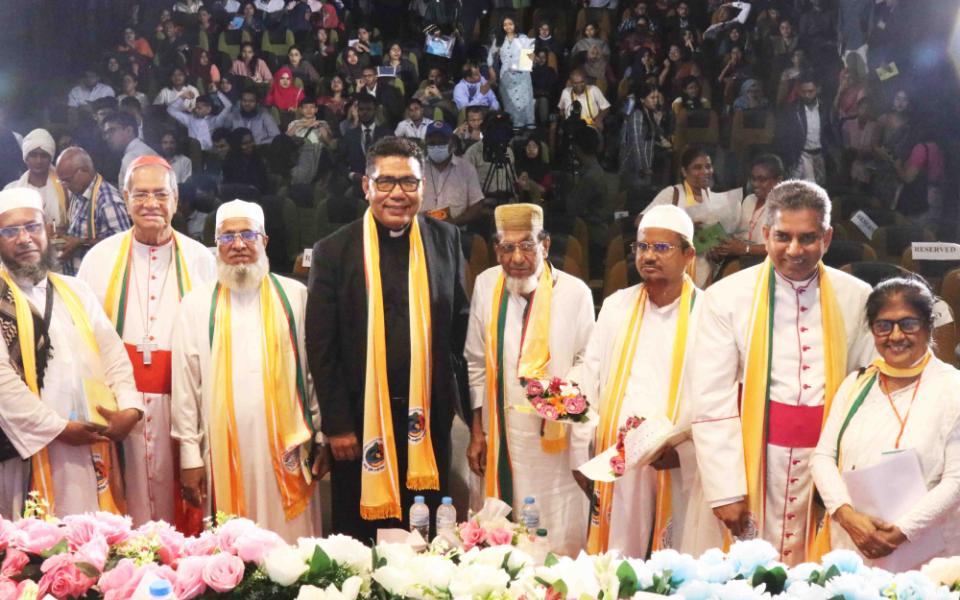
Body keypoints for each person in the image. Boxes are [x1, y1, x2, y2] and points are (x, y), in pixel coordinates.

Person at [689, 180, 874, 565]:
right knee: (749, 570)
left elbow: (870, 392)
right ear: (765, 234)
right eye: (783, 237)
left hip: (829, 462)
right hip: (755, 456)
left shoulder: (857, 297)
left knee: (820, 570)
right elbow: (711, 396)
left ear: (827, 237)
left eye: (808, 238)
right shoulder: (725, 297)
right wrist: (725, 490)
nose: (794, 250)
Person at [305, 137, 469, 540]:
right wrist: (337, 425)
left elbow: (459, 332)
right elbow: (321, 347)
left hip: (427, 417)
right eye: (386, 182)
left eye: (409, 183)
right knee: (360, 535)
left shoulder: (445, 240)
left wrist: (461, 408)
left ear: (423, 186)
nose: (398, 193)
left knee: (427, 530)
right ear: (366, 186)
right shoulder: (334, 250)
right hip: (358, 422)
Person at [172, 199, 323, 540]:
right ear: (216, 246)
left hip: (289, 447)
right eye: (227, 237)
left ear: (264, 241)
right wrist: (189, 457)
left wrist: (322, 433)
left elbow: (312, 373)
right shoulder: (196, 305)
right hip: (222, 446)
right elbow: (186, 387)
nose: (238, 245)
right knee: (234, 544)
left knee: (292, 543)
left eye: (247, 235)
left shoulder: (295, 296)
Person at [78, 156, 215, 527]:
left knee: (187, 508)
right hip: (123, 409)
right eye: (140, 194)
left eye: (160, 194)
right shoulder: (98, 259)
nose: (150, 204)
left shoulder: (202, 260)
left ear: (176, 199)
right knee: (127, 508)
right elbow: (83, 340)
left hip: (184, 405)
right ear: (125, 198)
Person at [0, 188, 141, 518]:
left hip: (93, 439)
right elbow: (3, 385)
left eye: (32, 227)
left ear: (49, 229)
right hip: (31, 447)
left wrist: (130, 409)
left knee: (97, 538)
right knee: (38, 550)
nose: (24, 239)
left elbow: (114, 357)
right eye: (10, 231)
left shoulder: (77, 291)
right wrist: (58, 428)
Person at [464, 203, 593, 555]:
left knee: (552, 531)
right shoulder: (485, 285)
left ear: (546, 245)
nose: (517, 258)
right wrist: (477, 431)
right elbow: (475, 362)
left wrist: (559, 402)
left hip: (554, 440)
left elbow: (589, 361)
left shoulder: (575, 292)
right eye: (507, 248)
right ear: (496, 250)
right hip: (500, 433)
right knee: (501, 532)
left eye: (527, 246)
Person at [579, 204, 705, 557]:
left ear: (688, 255)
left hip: (676, 462)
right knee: (617, 559)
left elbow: (719, 396)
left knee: (671, 561)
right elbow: (591, 376)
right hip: (617, 461)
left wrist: (685, 450)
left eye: (661, 248)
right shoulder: (617, 306)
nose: (649, 256)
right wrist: (583, 451)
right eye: (642, 247)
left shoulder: (710, 314)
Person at [811, 278, 960, 567]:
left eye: (908, 324)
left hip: (928, 554)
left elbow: (956, 481)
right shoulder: (856, 383)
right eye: (884, 325)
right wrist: (846, 515)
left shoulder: (953, 387)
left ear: (928, 326)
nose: (895, 335)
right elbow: (822, 457)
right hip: (854, 543)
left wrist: (902, 531)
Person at [644, 146, 740, 287]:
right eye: (697, 167)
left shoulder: (717, 199)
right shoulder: (673, 193)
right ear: (684, 171)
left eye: (708, 166)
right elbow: (642, 222)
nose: (705, 172)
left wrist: (719, 249)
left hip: (708, 272)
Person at [53, 148, 132, 276]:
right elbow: (79, 230)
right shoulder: (78, 194)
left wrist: (80, 242)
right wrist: (62, 235)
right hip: (78, 278)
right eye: (61, 181)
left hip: (99, 279)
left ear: (84, 171)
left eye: (67, 180)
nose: (64, 185)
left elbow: (124, 243)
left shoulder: (107, 199)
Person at [713, 153, 783, 264]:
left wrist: (745, 249)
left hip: (766, 267)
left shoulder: (784, 207)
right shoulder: (749, 200)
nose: (755, 184)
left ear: (778, 181)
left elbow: (781, 247)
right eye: (753, 179)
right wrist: (725, 247)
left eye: (762, 179)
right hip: (740, 263)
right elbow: (737, 234)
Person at [776, 73, 837, 186]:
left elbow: (830, 132)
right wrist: (791, 158)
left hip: (820, 155)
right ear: (799, 91)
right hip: (801, 155)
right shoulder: (793, 109)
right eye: (804, 92)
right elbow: (786, 136)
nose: (807, 95)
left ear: (818, 90)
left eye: (810, 91)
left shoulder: (824, 108)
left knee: (820, 190)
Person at [419, 123, 484, 224]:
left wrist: (453, 223)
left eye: (442, 142)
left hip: (457, 230)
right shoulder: (417, 169)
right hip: (422, 230)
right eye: (432, 143)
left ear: (453, 144)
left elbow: (477, 205)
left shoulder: (466, 169)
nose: (436, 146)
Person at [3, 129, 69, 229]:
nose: (39, 161)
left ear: (50, 158)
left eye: (44, 156)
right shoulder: (11, 190)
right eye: (33, 155)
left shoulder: (65, 189)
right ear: (26, 158)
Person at [620, 83, 672, 195]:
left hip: (646, 165)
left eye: (657, 97)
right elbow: (637, 143)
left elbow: (653, 137)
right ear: (642, 99)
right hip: (634, 167)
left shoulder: (649, 113)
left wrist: (657, 123)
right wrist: (642, 167)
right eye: (652, 98)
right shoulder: (637, 114)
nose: (656, 101)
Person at [487, 16, 535, 130]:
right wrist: (491, 69)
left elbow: (530, 55)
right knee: (510, 102)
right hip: (506, 76)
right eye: (505, 24)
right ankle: (515, 127)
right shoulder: (499, 39)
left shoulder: (523, 37)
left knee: (526, 101)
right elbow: (490, 56)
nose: (508, 27)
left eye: (510, 24)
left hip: (522, 75)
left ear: (515, 24)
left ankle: (530, 125)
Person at [340, 95, 391, 189]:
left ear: (375, 111)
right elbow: (340, 161)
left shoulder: (387, 134)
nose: (364, 112)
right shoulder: (349, 135)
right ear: (357, 111)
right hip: (356, 184)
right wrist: (351, 175)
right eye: (361, 109)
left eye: (369, 109)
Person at [102, 112, 158, 189]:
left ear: (129, 131)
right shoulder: (143, 149)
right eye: (105, 133)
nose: (107, 137)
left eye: (112, 131)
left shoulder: (132, 157)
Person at [166, 91, 235, 151]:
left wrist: (217, 92)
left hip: (210, 154)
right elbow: (171, 110)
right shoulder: (190, 120)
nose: (196, 110)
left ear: (208, 109)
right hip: (192, 153)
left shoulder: (216, 121)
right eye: (196, 107)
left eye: (199, 108)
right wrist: (182, 97)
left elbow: (229, 105)